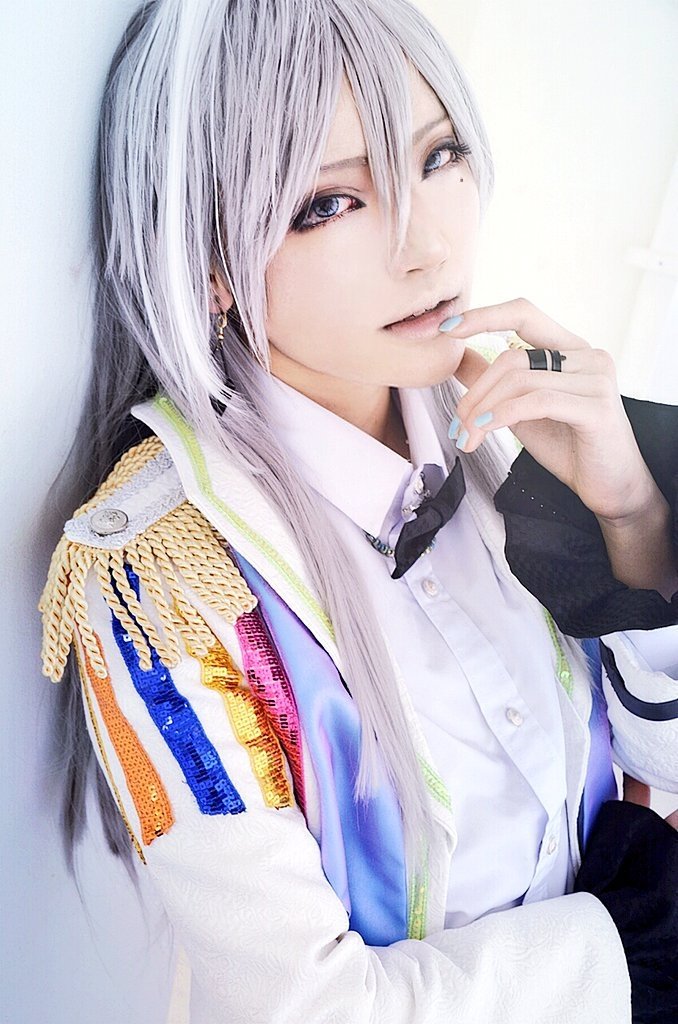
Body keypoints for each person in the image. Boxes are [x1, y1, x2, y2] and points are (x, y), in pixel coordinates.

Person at [39, 1, 678, 1021]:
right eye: (331, 202)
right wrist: (624, 952)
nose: (427, 247)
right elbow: (308, 1006)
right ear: (211, 266)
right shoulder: (167, 575)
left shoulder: (512, 427)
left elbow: (657, 776)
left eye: (439, 156)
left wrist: (633, 512)